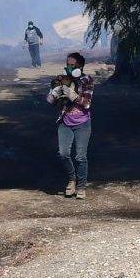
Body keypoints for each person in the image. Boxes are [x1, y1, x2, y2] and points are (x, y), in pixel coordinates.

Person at [46, 52, 94, 199]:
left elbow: (87, 104)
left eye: (72, 65)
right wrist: (55, 92)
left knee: (80, 156)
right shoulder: (61, 80)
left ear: (79, 66)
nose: (69, 67)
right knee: (63, 153)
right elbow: (49, 100)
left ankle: (81, 186)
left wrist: (72, 94)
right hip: (65, 121)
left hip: (82, 123)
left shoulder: (87, 80)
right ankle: (72, 180)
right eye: (67, 64)